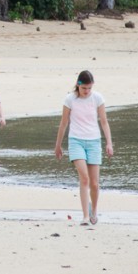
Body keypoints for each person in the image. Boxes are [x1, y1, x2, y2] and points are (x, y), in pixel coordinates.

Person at [54, 70, 114, 226]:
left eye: (89, 88)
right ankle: (85, 216)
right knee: (84, 178)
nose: (87, 91)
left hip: (94, 141)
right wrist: (58, 145)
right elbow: (63, 123)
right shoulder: (70, 99)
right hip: (76, 141)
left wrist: (109, 142)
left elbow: (104, 122)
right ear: (78, 85)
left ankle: (94, 210)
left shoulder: (98, 98)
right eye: (84, 88)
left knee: (94, 183)